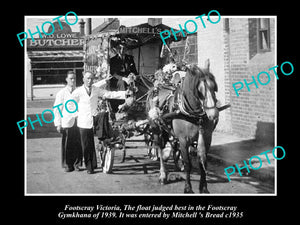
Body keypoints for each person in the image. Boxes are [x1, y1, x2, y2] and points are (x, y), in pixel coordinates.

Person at [72, 71, 127, 174]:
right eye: (87, 78)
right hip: (82, 121)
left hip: (93, 119)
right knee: (85, 145)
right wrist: (76, 114)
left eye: (91, 79)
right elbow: (70, 104)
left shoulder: (95, 89)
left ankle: (93, 164)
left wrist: (125, 93)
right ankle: (89, 167)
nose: (89, 81)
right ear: (83, 79)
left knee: (91, 143)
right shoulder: (78, 91)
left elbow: (109, 94)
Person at [53, 71, 82, 172]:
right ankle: (67, 164)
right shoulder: (62, 93)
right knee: (67, 144)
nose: (73, 80)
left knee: (78, 143)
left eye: (74, 78)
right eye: (71, 78)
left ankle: (77, 164)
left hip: (78, 121)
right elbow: (57, 109)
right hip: (66, 122)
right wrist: (58, 124)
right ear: (66, 80)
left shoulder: (79, 91)